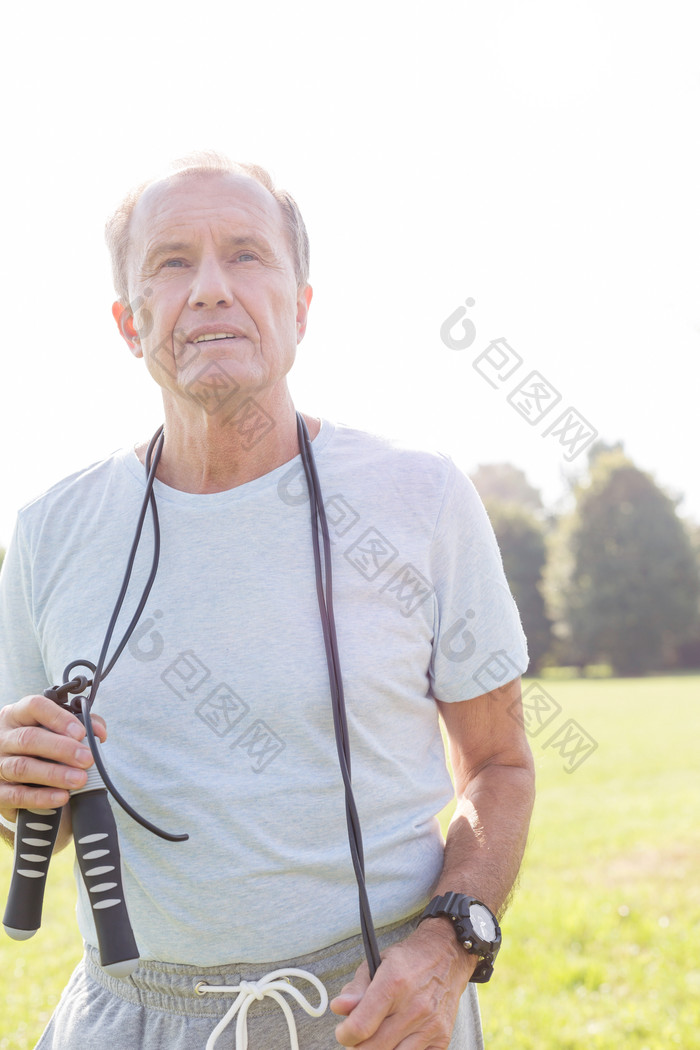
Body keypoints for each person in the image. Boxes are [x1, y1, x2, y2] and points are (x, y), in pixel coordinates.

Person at [0, 153, 535, 1050]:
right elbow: (33, 818)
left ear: (301, 308)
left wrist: (449, 944)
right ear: (131, 324)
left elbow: (499, 766)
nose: (210, 288)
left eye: (246, 254)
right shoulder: (49, 531)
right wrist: (15, 787)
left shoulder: (421, 496)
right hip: (124, 1021)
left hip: (371, 1012)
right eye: (172, 261)